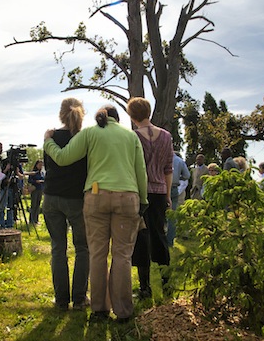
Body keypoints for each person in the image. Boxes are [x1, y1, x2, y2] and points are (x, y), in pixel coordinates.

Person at [43, 104, 147, 323]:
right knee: (122, 255)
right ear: (118, 119)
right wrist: (144, 200)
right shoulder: (131, 136)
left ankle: (99, 310)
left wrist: (48, 142)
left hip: (96, 195)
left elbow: (62, 158)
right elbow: (141, 171)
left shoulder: (90, 133)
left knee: (97, 254)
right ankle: (123, 310)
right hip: (127, 196)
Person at [43, 98, 89, 310]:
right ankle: (79, 298)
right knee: (82, 248)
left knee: (58, 248)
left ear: (61, 114)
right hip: (77, 198)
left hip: (52, 196)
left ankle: (61, 300)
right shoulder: (85, 138)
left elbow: (48, 165)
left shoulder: (51, 138)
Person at [128, 97, 173, 301]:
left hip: (141, 192)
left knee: (142, 236)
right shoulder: (166, 136)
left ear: (132, 116)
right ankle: (166, 282)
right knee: (160, 235)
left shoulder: (133, 137)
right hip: (160, 191)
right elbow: (168, 169)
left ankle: (145, 287)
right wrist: (168, 194)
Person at [166, 151, 191, 248]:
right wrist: (178, 176)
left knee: (159, 214)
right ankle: (170, 241)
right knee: (172, 216)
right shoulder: (180, 161)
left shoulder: (163, 158)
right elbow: (187, 175)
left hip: (162, 187)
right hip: (174, 188)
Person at [27, 160, 45, 225]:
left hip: (40, 189)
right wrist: (35, 181)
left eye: (41, 165)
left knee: (38, 204)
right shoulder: (33, 172)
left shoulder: (42, 172)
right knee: (33, 204)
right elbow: (29, 180)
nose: (40, 166)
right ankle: (31, 220)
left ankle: (36, 220)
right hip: (34, 189)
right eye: (39, 165)